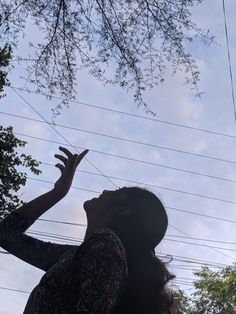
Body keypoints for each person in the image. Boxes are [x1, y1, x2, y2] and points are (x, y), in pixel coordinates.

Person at [0, 147, 175, 313]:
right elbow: (6, 235)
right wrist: (58, 192)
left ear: (123, 210)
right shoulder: (74, 255)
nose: (106, 190)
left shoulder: (106, 244)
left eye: (117, 191)